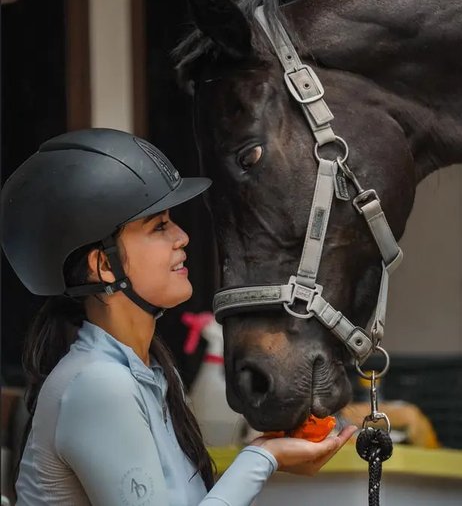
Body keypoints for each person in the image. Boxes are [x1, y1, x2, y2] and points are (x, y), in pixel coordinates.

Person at [0, 128, 356, 506]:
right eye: (159, 226)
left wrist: (264, 453)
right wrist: (263, 457)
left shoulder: (145, 372)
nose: (182, 236)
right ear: (104, 265)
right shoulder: (100, 385)